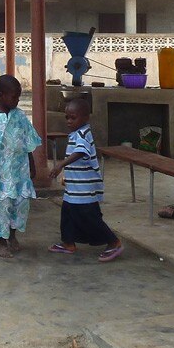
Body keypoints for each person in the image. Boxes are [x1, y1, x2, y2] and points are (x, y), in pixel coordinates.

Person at [48, 97, 122, 262]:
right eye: (67, 117)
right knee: (67, 213)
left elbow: (81, 152)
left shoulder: (83, 133)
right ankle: (68, 242)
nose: (68, 121)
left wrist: (61, 165)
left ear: (85, 118)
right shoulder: (76, 133)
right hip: (75, 188)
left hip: (85, 190)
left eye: (73, 117)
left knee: (90, 218)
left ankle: (113, 242)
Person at [0, 75, 39, 260]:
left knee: (20, 203)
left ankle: (13, 235)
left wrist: (32, 166)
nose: (17, 100)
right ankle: (2, 242)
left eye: (19, 97)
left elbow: (28, 142)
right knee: (4, 206)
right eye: (14, 97)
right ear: (1, 95)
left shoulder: (20, 116)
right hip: (1, 173)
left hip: (20, 171)